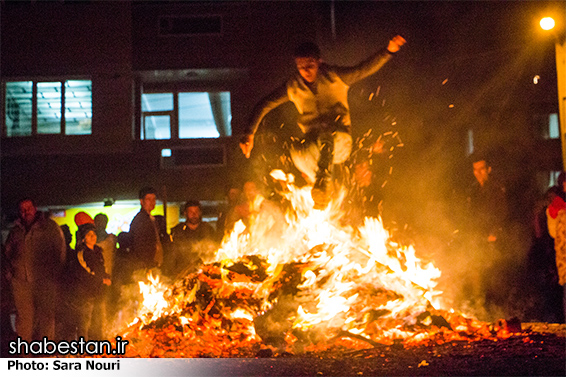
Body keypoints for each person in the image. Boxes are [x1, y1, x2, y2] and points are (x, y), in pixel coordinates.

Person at [240, 35, 406, 209]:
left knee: (327, 135)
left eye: (310, 66)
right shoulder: (293, 86)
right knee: (296, 149)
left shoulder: (335, 77)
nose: (306, 71)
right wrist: (249, 133)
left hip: (340, 143)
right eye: (301, 67)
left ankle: (323, 185)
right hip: (313, 147)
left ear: (319, 62)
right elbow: (264, 104)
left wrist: (388, 51)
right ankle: (322, 193)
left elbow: (363, 69)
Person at [3, 198, 66, 342]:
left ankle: (47, 352)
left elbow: (60, 251)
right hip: (21, 282)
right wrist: (10, 273)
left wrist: (55, 274)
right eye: (22, 210)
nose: (25, 212)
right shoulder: (16, 231)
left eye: (28, 208)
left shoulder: (50, 227)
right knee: (24, 319)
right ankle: (25, 355)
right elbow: (7, 253)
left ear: (35, 208)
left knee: (46, 317)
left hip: (45, 281)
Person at [68, 223, 111, 341]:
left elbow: (101, 269)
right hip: (86, 294)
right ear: (83, 238)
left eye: (94, 234)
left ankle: (99, 344)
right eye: (89, 235)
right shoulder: (81, 253)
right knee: (84, 323)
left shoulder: (98, 251)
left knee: (98, 320)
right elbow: (84, 274)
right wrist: (101, 280)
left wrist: (107, 277)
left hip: (99, 292)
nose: (93, 237)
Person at [168, 200, 216, 277]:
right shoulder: (177, 231)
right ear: (185, 213)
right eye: (191, 212)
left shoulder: (208, 230)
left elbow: (214, 252)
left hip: (204, 274)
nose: (194, 214)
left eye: (196, 211)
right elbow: (171, 255)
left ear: (200, 213)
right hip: (182, 274)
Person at [129, 187, 164, 271]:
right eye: (148, 199)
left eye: (154, 199)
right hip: (145, 266)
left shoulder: (151, 219)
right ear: (141, 201)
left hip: (153, 263)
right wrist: (147, 263)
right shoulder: (140, 220)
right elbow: (139, 245)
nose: (152, 202)